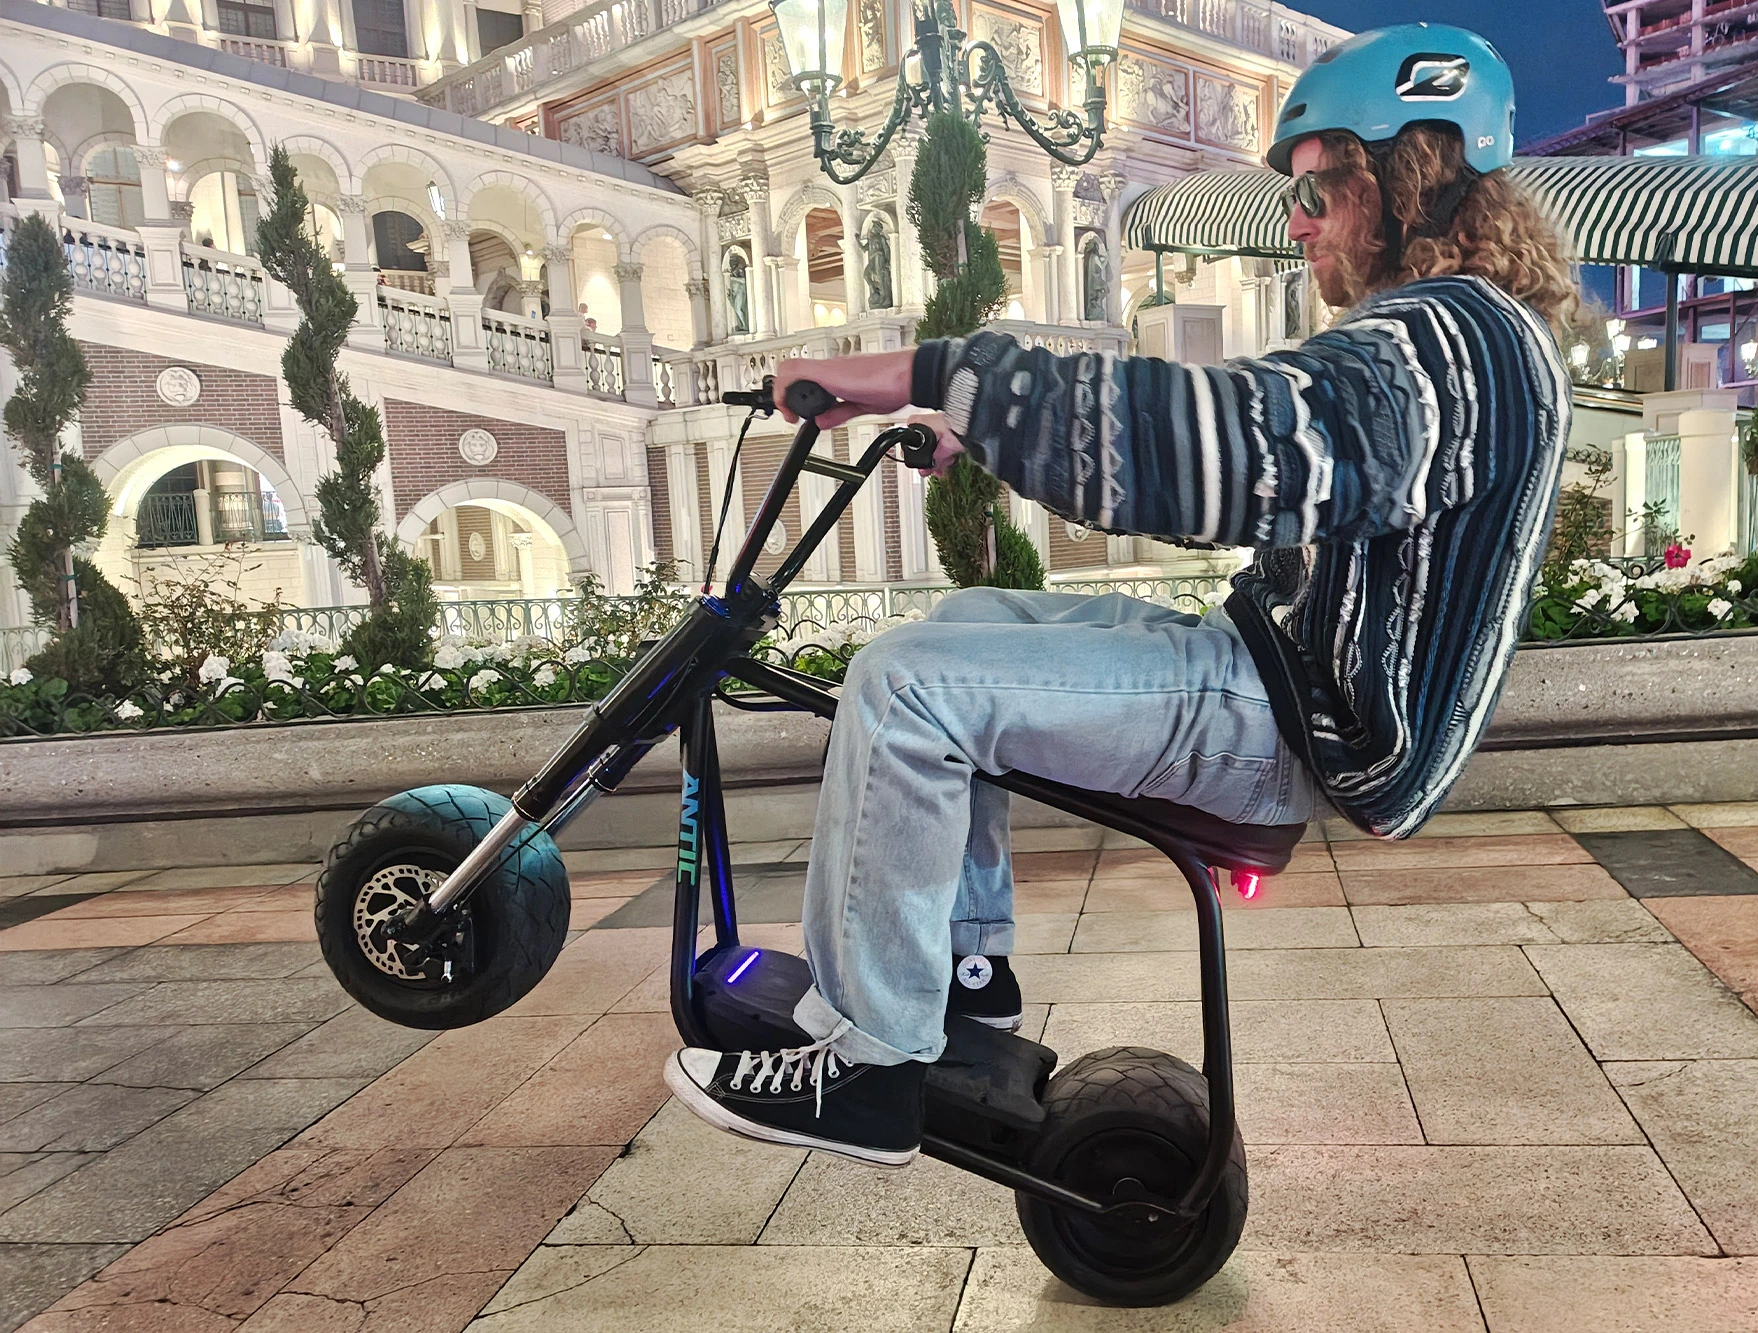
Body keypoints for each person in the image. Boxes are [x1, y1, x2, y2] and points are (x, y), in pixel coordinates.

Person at [664, 24, 1578, 1167]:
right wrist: (983, 432)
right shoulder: (1465, 335)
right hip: (1275, 673)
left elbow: (1227, 449)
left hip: (1297, 721)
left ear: (1401, 177)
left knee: (903, 686)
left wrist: (937, 370)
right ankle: (964, 969)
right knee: (960, 628)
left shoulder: (1452, 342)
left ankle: (866, 1063)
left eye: (1311, 189)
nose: (1296, 223)